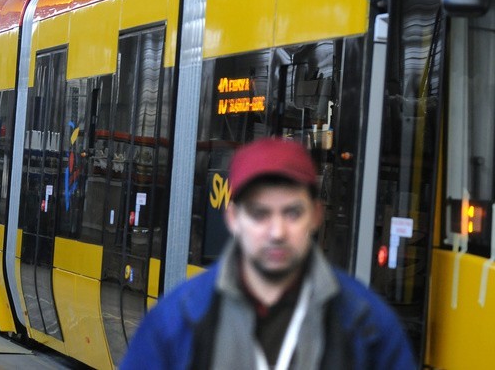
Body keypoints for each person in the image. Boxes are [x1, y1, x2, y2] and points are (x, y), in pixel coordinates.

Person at [121, 137, 416, 370]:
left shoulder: (370, 327)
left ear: (315, 216)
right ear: (233, 218)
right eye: (260, 214)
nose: (277, 232)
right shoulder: (175, 323)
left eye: (292, 213)